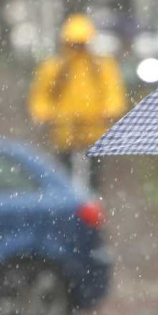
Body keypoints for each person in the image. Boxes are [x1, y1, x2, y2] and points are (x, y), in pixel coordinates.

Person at [28, 13, 127, 191]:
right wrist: (43, 113)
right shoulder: (55, 67)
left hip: (93, 128)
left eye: (82, 43)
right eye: (75, 43)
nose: (79, 48)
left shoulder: (102, 66)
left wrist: (110, 110)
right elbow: (41, 94)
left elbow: (112, 91)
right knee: (63, 171)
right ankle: (69, 202)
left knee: (94, 173)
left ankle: (92, 200)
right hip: (64, 128)